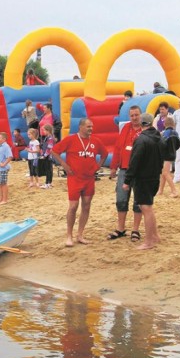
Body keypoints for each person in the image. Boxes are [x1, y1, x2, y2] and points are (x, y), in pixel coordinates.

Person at [52, 118, 108, 247]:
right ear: (81, 127)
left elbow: (104, 154)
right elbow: (54, 151)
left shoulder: (95, 141)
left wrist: (98, 166)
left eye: (92, 126)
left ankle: (80, 234)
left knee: (86, 205)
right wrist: (64, 165)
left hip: (89, 178)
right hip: (74, 178)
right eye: (88, 126)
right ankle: (69, 236)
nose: (91, 129)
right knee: (73, 207)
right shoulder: (71, 139)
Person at [123, 113, 164, 250]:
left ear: (141, 124)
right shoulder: (159, 137)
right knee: (149, 208)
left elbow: (134, 161)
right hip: (154, 177)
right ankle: (155, 236)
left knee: (146, 209)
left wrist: (127, 180)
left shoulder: (141, 139)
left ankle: (148, 242)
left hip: (143, 178)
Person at [108, 105, 144, 241]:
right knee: (121, 200)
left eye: (136, 115)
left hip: (140, 171)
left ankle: (135, 230)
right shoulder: (125, 128)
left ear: (141, 115)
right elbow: (117, 148)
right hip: (124, 169)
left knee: (138, 201)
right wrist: (113, 167)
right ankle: (121, 228)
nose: (134, 118)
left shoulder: (145, 130)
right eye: (132, 115)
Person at [157, 116, 180, 198]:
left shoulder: (165, 133)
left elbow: (162, 144)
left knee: (165, 173)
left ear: (164, 124)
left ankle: (174, 191)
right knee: (163, 173)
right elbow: (178, 144)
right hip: (172, 154)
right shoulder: (175, 133)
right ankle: (160, 190)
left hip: (166, 155)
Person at [0, 132, 13, 205]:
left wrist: (4, 164)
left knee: (3, 184)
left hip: (3, 169)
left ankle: (5, 199)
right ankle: (1, 198)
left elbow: (10, 157)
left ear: (4, 139)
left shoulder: (6, 146)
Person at [38, 123, 55, 189]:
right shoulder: (47, 138)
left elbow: (49, 148)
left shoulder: (50, 138)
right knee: (48, 170)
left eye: (44, 130)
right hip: (46, 156)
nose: (43, 132)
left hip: (48, 156)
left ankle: (48, 183)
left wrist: (44, 155)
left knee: (48, 170)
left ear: (48, 130)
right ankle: (49, 183)